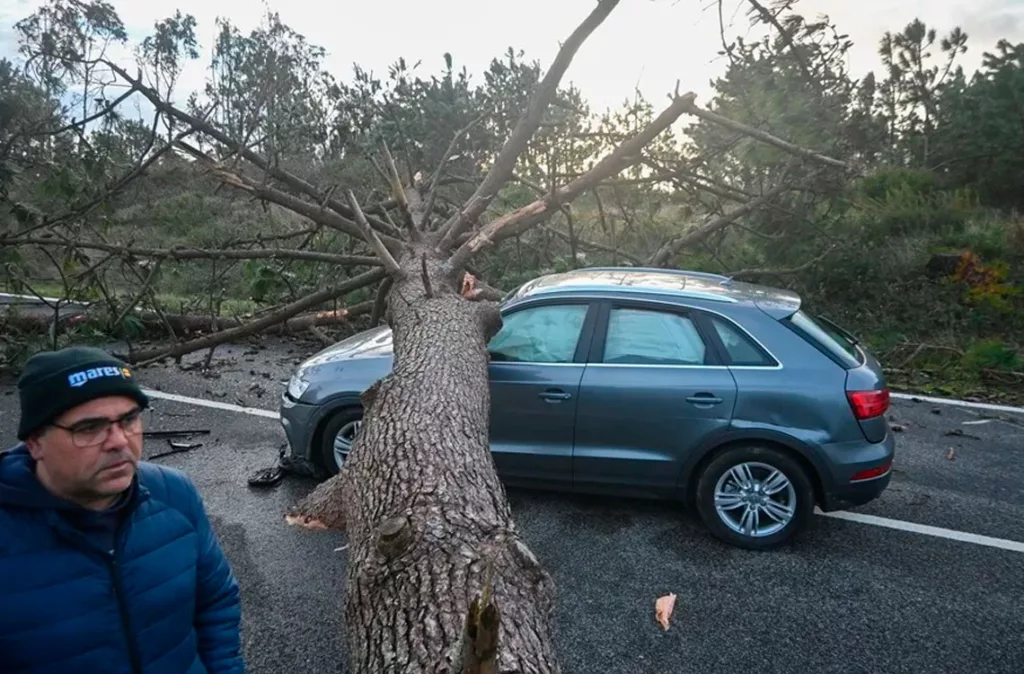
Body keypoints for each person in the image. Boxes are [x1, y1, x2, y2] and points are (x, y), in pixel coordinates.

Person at [0, 346, 246, 674]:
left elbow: (216, 603)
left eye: (129, 419)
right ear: (35, 442)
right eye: (89, 428)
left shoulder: (175, 494)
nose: (118, 441)